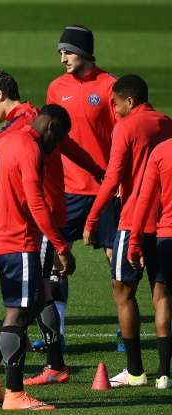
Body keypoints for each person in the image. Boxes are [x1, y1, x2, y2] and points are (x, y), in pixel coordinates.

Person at [0, 70, 102, 387]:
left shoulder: (23, 127)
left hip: (36, 221)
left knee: (30, 299)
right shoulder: (37, 118)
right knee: (40, 293)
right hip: (44, 215)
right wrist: (101, 172)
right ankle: (53, 365)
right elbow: (71, 147)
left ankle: (3, 370)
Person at [0, 105, 76, 411]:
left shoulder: (3, 143)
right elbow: (36, 202)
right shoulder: (30, 149)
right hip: (20, 242)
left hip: (3, 241)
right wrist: (61, 247)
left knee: (29, 305)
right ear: (51, 126)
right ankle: (14, 392)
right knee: (18, 314)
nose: (56, 145)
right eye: (58, 138)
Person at [83, 74, 172, 387]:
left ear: (130, 101)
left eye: (116, 103)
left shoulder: (126, 127)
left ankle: (135, 371)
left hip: (133, 220)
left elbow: (113, 177)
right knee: (162, 295)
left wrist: (92, 218)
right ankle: (164, 371)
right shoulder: (167, 123)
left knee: (122, 293)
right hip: (164, 224)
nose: (114, 109)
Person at [46, 25, 119, 347]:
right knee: (56, 258)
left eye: (68, 52)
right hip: (69, 189)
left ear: (85, 53)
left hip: (106, 190)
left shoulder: (110, 87)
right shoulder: (56, 88)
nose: (63, 58)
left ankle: (125, 330)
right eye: (61, 52)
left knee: (116, 261)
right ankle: (56, 333)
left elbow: (124, 136)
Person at [129, 136, 172, 390]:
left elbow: (144, 200)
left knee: (163, 297)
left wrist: (134, 241)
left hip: (167, 236)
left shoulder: (162, 151)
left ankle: (163, 374)